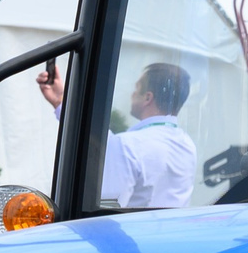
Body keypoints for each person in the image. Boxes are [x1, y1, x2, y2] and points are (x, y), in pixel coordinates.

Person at [37, 59, 198, 208]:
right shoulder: (187, 145)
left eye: (137, 88)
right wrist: (60, 101)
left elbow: (106, 209)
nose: (132, 94)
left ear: (148, 98)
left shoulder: (129, 145)